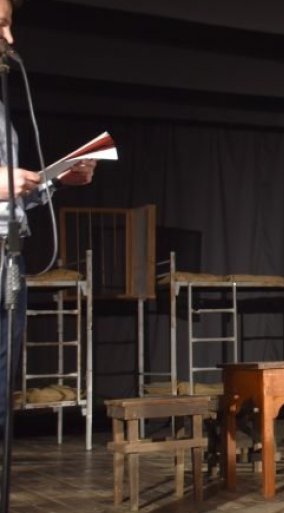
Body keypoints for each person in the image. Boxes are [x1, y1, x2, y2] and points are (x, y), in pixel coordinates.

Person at [0, 0, 96, 437]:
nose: (9, 38)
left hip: (9, 256)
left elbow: (11, 194)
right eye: (2, 25)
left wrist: (55, 179)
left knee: (3, 386)